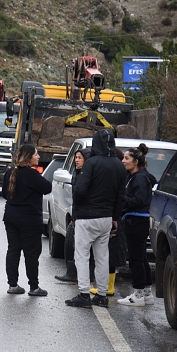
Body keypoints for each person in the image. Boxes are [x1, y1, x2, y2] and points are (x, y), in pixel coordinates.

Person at [66, 129, 126, 309]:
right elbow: (120, 195)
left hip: (87, 216)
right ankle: (101, 295)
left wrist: (78, 205)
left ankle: (84, 294)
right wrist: (115, 218)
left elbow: (81, 189)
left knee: (82, 255)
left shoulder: (91, 163)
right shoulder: (119, 165)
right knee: (102, 257)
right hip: (107, 217)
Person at [2, 144, 52, 296]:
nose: (38, 157)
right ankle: (34, 286)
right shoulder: (31, 174)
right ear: (29, 157)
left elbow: (5, 194)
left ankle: (12, 284)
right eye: (36, 154)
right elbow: (47, 187)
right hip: (29, 219)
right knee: (31, 253)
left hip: (10, 216)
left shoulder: (11, 172)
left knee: (13, 250)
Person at [118, 143, 157, 307]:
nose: (123, 161)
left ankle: (138, 294)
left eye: (126, 158)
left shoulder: (140, 178)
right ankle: (147, 293)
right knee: (140, 257)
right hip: (136, 219)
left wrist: (123, 200)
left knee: (135, 259)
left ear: (136, 161)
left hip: (136, 220)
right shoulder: (135, 177)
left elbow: (139, 200)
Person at [55, 148, 90, 283]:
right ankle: (72, 273)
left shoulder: (85, 176)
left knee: (82, 249)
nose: (76, 160)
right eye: (76, 157)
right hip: (77, 215)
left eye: (79, 158)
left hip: (85, 217)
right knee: (75, 246)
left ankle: (80, 278)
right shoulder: (77, 173)